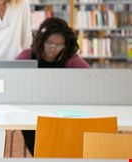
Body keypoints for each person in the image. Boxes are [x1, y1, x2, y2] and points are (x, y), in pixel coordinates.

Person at [16, 17, 90, 156]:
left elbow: (89, 77)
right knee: (34, 135)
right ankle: (42, 156)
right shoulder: (27, 56)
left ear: (66, 45)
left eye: (59, 45)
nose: (53, 48)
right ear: (42, 40)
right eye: (49, 43)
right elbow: (14, 79)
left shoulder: (70, 59)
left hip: (61, 112)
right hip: (32, 111)